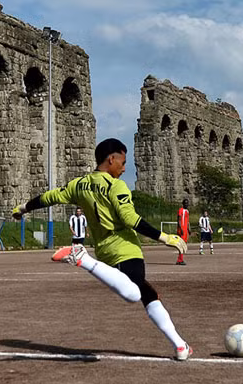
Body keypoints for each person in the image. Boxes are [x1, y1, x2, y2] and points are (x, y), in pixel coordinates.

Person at [11, 138, 193, 361]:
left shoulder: (78, 184)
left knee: (148, 293)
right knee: (135, 294)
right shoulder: (115, 186)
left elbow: (50, 197)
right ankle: (83, 258)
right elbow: (129, 218)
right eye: (122, 162)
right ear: (111, 159)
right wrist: (165, 237)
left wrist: (23, 208)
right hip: (126, 249)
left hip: (104, 252)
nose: (124, 169)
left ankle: (180, 345)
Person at [175, 199, 191, 265]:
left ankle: (180, 259)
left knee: (183, 245)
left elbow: (187, 221)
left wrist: (189, 229)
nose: (187, 204)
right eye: (185, 203)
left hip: (185, 231)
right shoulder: (180, 210)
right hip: (181, 230)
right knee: (181, 245)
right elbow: (178, 220)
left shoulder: (187, 211)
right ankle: (180, 260)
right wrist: (181, 229)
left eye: (187, 203)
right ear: (183, 204)